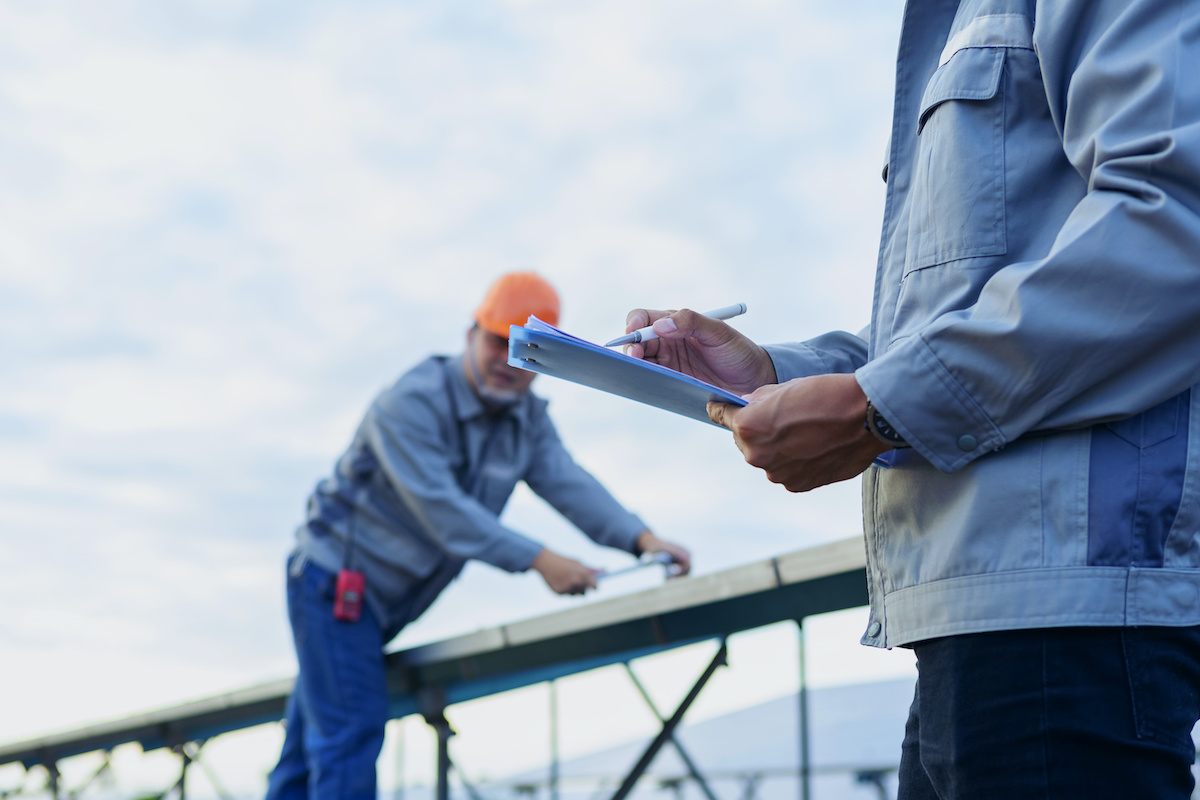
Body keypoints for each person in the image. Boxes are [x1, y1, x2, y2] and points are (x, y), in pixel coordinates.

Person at [623, 2, 1200, 798]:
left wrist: (877, 407)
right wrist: (777, 375)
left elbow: (1175, 229)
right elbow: (952, 309)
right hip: (967, 617)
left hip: (1066, 613)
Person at [266, 271, 690, 800]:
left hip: (381, 604)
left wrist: (642, 539)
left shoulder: (526, 422)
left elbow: (567, 480)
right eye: (498, 340)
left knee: (309, 750)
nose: (507, 359)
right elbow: (443, 512)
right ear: (471, 334)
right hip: (334, 587)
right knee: (349, 734)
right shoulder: (411, 402)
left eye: (525, 348)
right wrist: (540, 559)